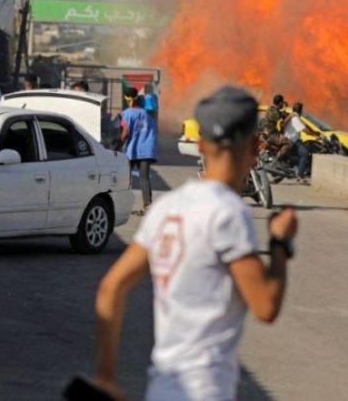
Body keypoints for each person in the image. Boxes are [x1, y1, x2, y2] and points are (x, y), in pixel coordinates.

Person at [93, 86, 298, 401]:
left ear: (201, 145)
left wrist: (105, 377)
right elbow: (265, 306)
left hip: (161, 388)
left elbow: (111, 288)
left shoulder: (167, 208)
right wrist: (280, 244)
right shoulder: (229, 214)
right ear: (255, 148)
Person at [120, 87, 157, 215]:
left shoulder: (126, 113)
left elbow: (124, 133)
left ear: (126, 99)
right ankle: (148, 206)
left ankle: (121, 205)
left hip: (132, 150)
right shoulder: (149, 113)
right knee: (144, 178)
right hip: (147, 150)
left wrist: (117, 145)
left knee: (125, 177)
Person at [282, 102, 320, 184]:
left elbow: (305, 126)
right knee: (305, 154)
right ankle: (300, 175)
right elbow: (303, 129)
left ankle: (298, 169)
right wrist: (314, 134)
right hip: (292, 141)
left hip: (293, 139)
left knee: (307, 146)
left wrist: (313, 132)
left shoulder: (293, 116)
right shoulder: (295, 118)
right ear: (301, 110)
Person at [261, 94, 292, 159]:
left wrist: (285, 109)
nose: (283, 104)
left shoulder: (271, 109)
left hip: (271, 133)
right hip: (272, 135)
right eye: (282, 102)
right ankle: (278, 159)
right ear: (280, 102)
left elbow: (282, 114)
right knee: (289, 142)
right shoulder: (275, 112)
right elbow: (283, 123)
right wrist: (291, 116)